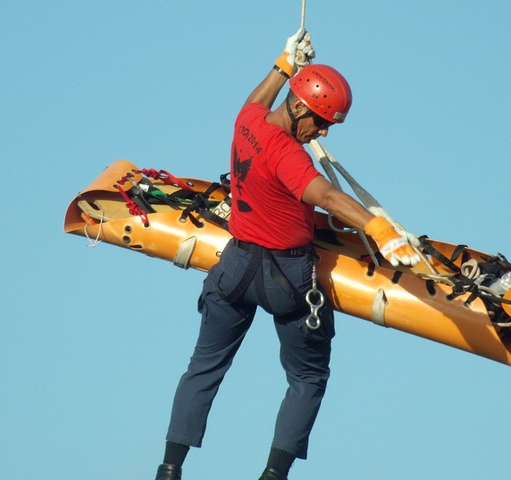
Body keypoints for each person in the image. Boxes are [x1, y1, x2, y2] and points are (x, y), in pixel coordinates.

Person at [154, 28, 420, 480]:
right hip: (287, 280)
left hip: (234, 267)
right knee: (309, 378)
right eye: (319, 121)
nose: (322, 131)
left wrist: (283, 63)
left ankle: (169, 468)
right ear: (298, 107)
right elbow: (329, 198)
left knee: (203, 368)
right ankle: (274, 476)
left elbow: (257, 97)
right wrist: (378, 227)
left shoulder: (247, 121)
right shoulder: (291, 158)